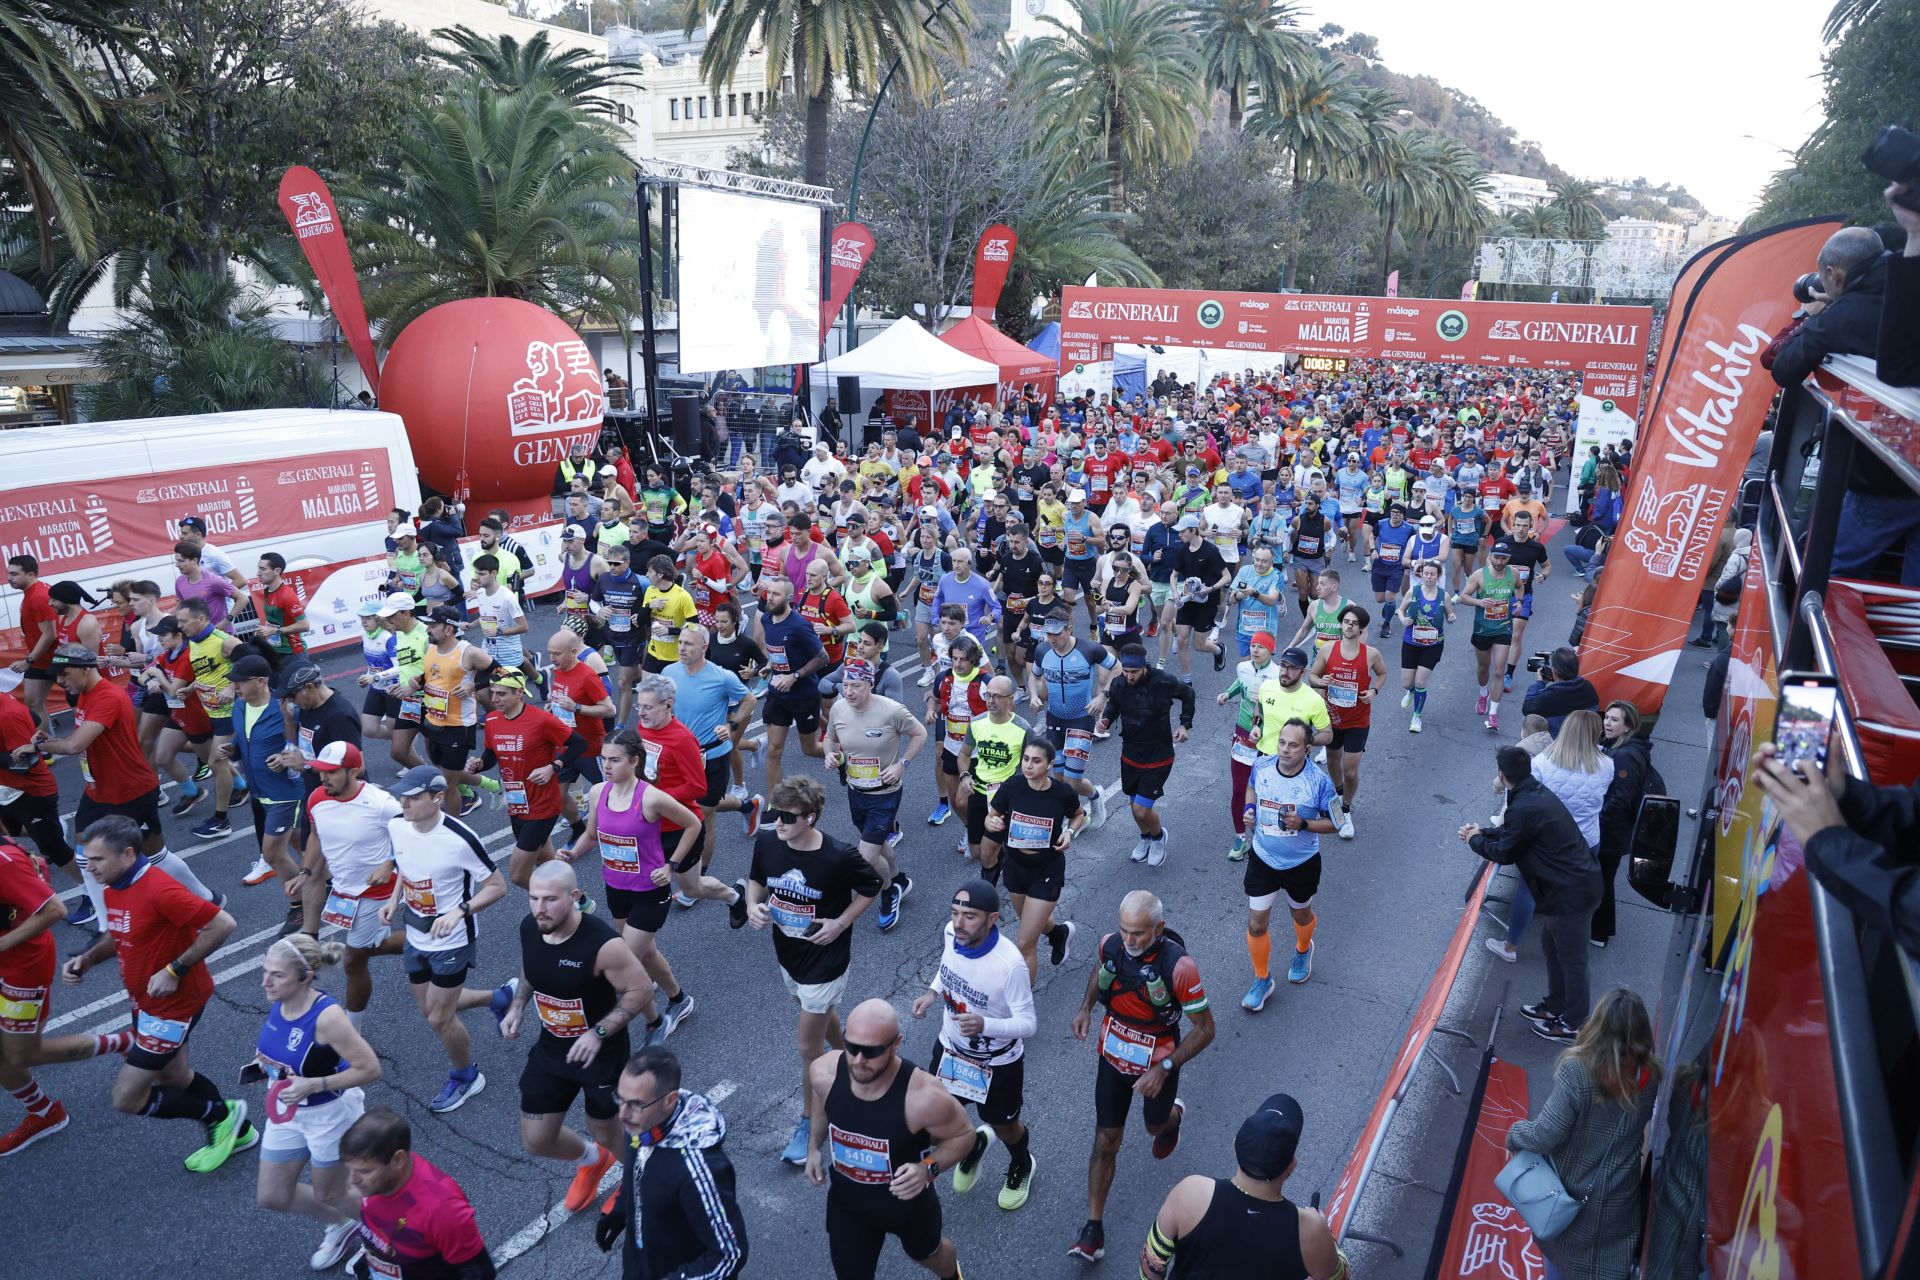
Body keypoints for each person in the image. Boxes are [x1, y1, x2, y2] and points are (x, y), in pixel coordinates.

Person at [61, 815, 252, 1171]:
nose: (89, 865)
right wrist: (88, 959)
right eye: (87, 857)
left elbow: (222, 924)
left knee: (126, 1097)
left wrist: (174, 970)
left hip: (174, 1006)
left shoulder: (159, 889)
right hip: (144, 1002)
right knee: (175, 1077)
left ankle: (221, 1116)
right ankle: (240, 1134)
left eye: (98, 859)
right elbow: (119, 932)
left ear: (129, 854)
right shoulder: (113, 885)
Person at [494, 860, 654, 1214]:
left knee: (605, 1128)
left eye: (550, 899)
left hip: (601, 1053)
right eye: (534, 899)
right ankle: (593, 1160)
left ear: (574, 896)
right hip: (553, 1046)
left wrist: (598, 1033)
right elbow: (531, 965)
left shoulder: (603, 944)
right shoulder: (531, 927)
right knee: (536, 1139)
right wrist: (518, 1005)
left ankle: (642, 1176)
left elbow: (640, 991)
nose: (539, 908)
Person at [1067, 890, 1214, 1264]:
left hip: (1158, 1061)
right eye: (1124, 931)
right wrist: (1085, 1008)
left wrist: (1164, 1068)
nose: (1129, 941)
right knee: (1106, 1139)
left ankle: (1172, 1119)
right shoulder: (1110, 946)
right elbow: (1097, 973)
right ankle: (1092, 1230)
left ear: (1159, 928)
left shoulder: (1180, 968)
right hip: (1114, 1054)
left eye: (1138, 934)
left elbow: (1206, 1029)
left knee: (1153, 1126)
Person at [746, 776, 882, 1167]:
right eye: (774, 813)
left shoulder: (837, 856)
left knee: (807, 1047)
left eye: (787, 816)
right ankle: (852, 1057)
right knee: (818, 1015)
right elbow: (757, 881)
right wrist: (754, 905)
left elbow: (872, 886)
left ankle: (809, 1124)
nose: (778, 822)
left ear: (811, 817)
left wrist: (840, 923)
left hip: (826, 960)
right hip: (788, 954)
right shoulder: (770, 842)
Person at [807, 997, 977, 1280]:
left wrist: (927, 1169)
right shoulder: (824, 1071)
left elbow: (964, 1135)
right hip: (849, 1205)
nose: (859, 1060)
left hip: (908, 1207)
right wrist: (813, 1147)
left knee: (931, 1256)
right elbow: (820, 1101)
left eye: (871, 1051)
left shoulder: (923, 1095)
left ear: (896, 1043)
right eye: (852, 1047)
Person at [1504, 989, 1660, 1280]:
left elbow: (1544, 1134)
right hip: (1619, 1200)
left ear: (1597, 1025)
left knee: (1560, 1264)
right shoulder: (1649, 1075)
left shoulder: (1579, 1071)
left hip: (1570, 1197)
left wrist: (1514, 1134)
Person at [250, 932, 382, 1272]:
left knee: (331, 1193)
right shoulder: (279, 1001)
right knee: (273, 1196)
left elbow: (369, 1068)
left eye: (276, 974)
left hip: (330, 1114)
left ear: (306, 976)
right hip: (288, 1111)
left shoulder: (327, 1017)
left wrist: (315, 1084)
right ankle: (344, 1225)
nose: (266, 981)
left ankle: (394, 1241)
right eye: (265, 971)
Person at [381, 765, 508, 1112]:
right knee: (431, 1009)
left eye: (413, 797)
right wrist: (394, 900)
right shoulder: (397, 825)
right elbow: (403, 866)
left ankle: (466, 1076)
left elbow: (498, 886)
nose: (403, 802)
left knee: (439, 1017)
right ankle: (500, 998)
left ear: (438, 798)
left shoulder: (460, 838)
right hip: (415, 932)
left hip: (452, 941)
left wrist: (460, 911)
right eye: (402, 796)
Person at [910, 879, 1041, 1211]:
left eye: (969, 916)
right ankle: (972, 1144)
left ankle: (1022, 1163)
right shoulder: (952, 934)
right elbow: (948, 967)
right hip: (951, 1049)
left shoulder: (1009, 966)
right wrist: (932, 992)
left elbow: (1028, 1024)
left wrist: (986, 1024)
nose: (958, 922)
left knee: (1004, 1125)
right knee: (936, 1123)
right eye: (955, 912)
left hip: (996, 1062)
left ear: (992, 918)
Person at [1459, 747, 1602, 1042]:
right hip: (1565, 889)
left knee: (1573, 959)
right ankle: (1555, 1005)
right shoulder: (1530, 794)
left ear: (1502, 775)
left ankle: (1574, 1022)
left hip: (1571, 894)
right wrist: (1483, 832)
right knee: (1552, 948)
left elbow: (1506, 852)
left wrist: (1475, 841)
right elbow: (1515, 832)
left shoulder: (1525, 804)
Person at [0, 839, 134, 1155]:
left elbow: (53, 909)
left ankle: (124, 1042)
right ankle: (44, 1112)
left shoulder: (3, 861)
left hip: (21, 967)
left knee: (21, 1054)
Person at [1139, 1092, 1348, 1280]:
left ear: (1235, 1144)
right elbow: (1342, 1276)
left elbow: (1151, 1266)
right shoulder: (1309, 1229)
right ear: (1292, 1165)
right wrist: (1327, 1238)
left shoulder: (1190, 1194)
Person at [595, 1045, 749, 1279]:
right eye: (620, 1099)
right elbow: (637, 1174)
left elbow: (730, 1254)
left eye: (635, 1104)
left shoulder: (697, 1170)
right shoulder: (641, 1126)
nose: (623, 1114)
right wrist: (620, 1211)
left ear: (670, 1101)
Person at [1488, 711, 1611, 966]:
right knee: (1573, 896)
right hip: (1587, 838)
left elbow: (1524, 798)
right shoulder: (1606, 765)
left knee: (1527, 888)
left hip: (1547, 841)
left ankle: (1511, 945)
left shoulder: (1543, 762)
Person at [1239, 719, 1341, 1011]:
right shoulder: (1262, 766)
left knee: (1301, 916)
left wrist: (1305, 823)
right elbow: (1251, 788)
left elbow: (1337, 823)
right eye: (1282, 742)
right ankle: (1262, 979)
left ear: (1307, 749)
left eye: (1293, 745)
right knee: (1257, 924)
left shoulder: (1318, 781)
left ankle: (1302, 948)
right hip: (1263, 858)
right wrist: (1249, 810)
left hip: (1301, 863)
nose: (1285, 749)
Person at [823, 658, 928, 931]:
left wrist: (901, 765)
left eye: (855, 685)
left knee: (865, 855)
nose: (849, 692)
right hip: (856, 790)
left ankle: (887, 891)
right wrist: (829, 755)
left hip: (886, 793)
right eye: (845, 685)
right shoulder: (838, 709)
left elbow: (920, 734)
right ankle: (897, 879)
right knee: (878, 844)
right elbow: (830, 738)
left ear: (870, 684)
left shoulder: (892, 710)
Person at [341, 1107, 497, 1280]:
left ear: (398, 1160)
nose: (352, 1180)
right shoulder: (376, 1182)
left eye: (364, 1171)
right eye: (349, 1170)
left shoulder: (443, 1210)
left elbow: (479, 1274)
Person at [982, 737, 1085, 981]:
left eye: (1036, 761)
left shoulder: (1062, 793)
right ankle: (1058, 933)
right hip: (1015, 867)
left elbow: (1078, 815)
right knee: (1031, 922)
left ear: (1049, 764)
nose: (1028, 765)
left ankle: (1022, 1007)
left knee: (1026, 942)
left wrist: (1070, 832)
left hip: (1046, 871)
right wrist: (991, 821)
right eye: (1026, 759)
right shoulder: (1013, 786)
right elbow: (991, 815)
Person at [1096, 644, 1195, 868]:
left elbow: (1188, 694)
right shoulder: (1120, 682)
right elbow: (1114, 705)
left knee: (1142, 809)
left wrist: (1184, 724)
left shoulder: (1164, 682)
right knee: (1135, 808)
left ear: (1144, 668)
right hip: (1130, 755)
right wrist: (1106, 720)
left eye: (1134, 672)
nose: (1129, 676)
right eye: (1126, 671)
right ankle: (1145, 838)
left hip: (1158, 756)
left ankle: (1159, 837)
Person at [1028, 606, 1114, 831]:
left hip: (1081, 720)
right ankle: (1079, 815)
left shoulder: (1090, 650)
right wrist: (1034, 696)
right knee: (1059, 780)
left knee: (1072, 781)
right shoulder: (1042, 651)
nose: (1052, 639)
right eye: (1048, 634)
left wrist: (1102, 697)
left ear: (1070, 629)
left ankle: (1095, 796)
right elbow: (1034, 676)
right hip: (1054, 720)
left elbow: (1118, 669)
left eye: (1057, 633)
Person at [1304, 605, 1385, 841]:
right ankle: (1339, 795)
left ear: (1361, 629)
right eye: (1346, 622)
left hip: (1358, 720)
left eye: (1354, 623)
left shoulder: (1371, 654)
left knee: (1350, 771)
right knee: (1332, 761)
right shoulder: (1328, 650)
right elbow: (1312, 676)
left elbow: (1382, 674)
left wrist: (1374, 691)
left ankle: (1346, 810)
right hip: (1333, 717)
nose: (1349, 626)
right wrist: (1322, 680)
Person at [757, 576, 830, 793]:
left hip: (803, 694)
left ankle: (841, 756)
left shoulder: (799, 625)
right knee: (773, 750)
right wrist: (771, 665)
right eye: (769, 593)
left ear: (788, 598)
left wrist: (794, 676)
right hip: (778, 695)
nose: (769, 598)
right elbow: (779, 652)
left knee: (809, 749)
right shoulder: (767, 620)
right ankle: (775, 805)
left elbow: (823, 657)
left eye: (775, 594)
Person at [1594, 700, 1655, 949]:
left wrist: (1597, 820)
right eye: (1607, 718)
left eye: (1614, 720)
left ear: (1628, 726)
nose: (1608, 723)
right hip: (1615, 830)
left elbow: (1621, 798)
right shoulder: (1623, 748)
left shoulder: (1625, 755)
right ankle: (1599, 929)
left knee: (1602, 881)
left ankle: (1598, 932)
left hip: (1612, 833)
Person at [1458, 540, 1520, 730]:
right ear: (1491, 556)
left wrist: (1519, 602)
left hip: (1503, 627)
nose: (1500, 561)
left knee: (1499, 670)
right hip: (1483, 629)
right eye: (1497, 557)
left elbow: (1519, 587)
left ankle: (1493, 714)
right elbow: (1463, 597)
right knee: (1483, 667)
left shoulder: (1514, 573)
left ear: (1508, 558)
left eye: (1504, 558)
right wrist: (1479, 603)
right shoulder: (1479, 575)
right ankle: (1483, 692)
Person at [1396, 559, 1455, 733]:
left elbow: (1450, 615)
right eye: (1425, 573)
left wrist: (1452, 618)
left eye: (1432, 574)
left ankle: (1416, 716)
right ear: (1421, 574)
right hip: (1411, 641)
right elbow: (1400, 610)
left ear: (1438, 576)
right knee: (1407, 683)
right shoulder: (1413, 592)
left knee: (1421, 681)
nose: (1428, 577)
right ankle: (1411, 691)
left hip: (1433, 644)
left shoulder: (1444, 596)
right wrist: (1402, 619)